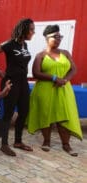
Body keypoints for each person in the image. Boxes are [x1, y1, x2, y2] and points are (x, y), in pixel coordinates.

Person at [27, 24, 82, 156]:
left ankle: (66, 144)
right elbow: (35, 73)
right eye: (55, 36)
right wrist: (54, 78)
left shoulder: (65, 53)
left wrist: (65, 80)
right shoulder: (41, 55)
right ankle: (46, 141)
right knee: (46, 115)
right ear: (47, 38)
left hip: (63, 89)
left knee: (64, 115)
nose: (58, 39)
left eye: (60, 36)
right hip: (45, 89)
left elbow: (73, 69)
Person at [0, 18, 35, 156]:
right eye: (31, 29)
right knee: (8, 114)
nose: (33, 32)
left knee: (24, 111)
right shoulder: (9, 44)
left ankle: (18, 141)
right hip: (11, 83)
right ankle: (4, 144)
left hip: (23, 82)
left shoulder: (25, 45)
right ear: (23, 30)